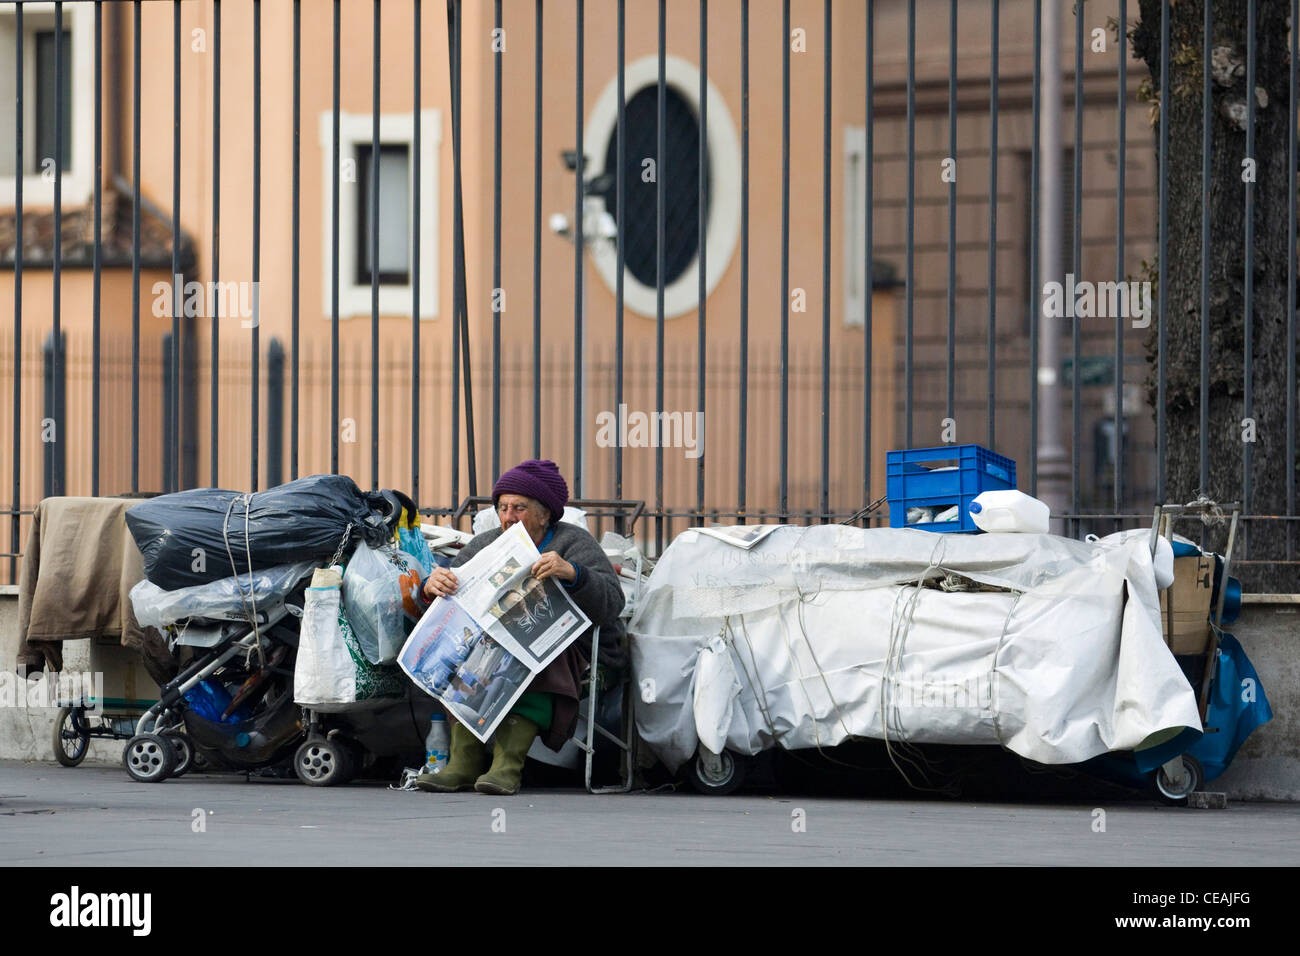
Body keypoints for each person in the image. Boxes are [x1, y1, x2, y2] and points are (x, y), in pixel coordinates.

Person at [415, 459, 626, 795]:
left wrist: (574, 574)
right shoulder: (487, 544)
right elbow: (451, 590)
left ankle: (506, 766)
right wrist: (431, 585)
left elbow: (613, 603)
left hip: (572, 652)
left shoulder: (574, 543)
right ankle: (463, 762)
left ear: (545, 514)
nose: (508, 516)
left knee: (532, 653)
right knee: (466, 655)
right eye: (502, 507)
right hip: (494, 648)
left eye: (519, 508)